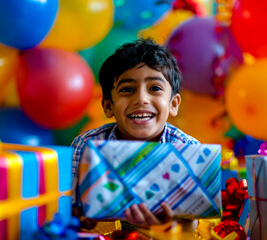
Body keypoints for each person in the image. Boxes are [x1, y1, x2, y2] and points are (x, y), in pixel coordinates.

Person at [71, 38, 200, 229]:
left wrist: (176, 225)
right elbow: (69, 208)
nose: (141, 98)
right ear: (108, 106)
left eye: (155, 88)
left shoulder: (188, 150)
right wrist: (80, 216)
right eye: (127, 89)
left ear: (173, 104)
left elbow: (192, 223)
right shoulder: (86, 146)